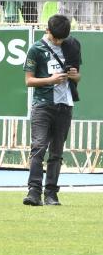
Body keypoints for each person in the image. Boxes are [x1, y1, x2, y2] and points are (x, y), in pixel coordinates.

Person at [23, 14, 82, 206]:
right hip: (42, 104)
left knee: (56, 152)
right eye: (56, 37)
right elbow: (29, 81)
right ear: (47, 30)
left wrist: (74, 76)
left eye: (61, 38)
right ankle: (33, 192)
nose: (58, 41)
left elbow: (78, 77)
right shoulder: (36, 49)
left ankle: (51, 193)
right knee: (38, 147)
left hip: (65, 105)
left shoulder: (73, 45)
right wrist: (51, 80)